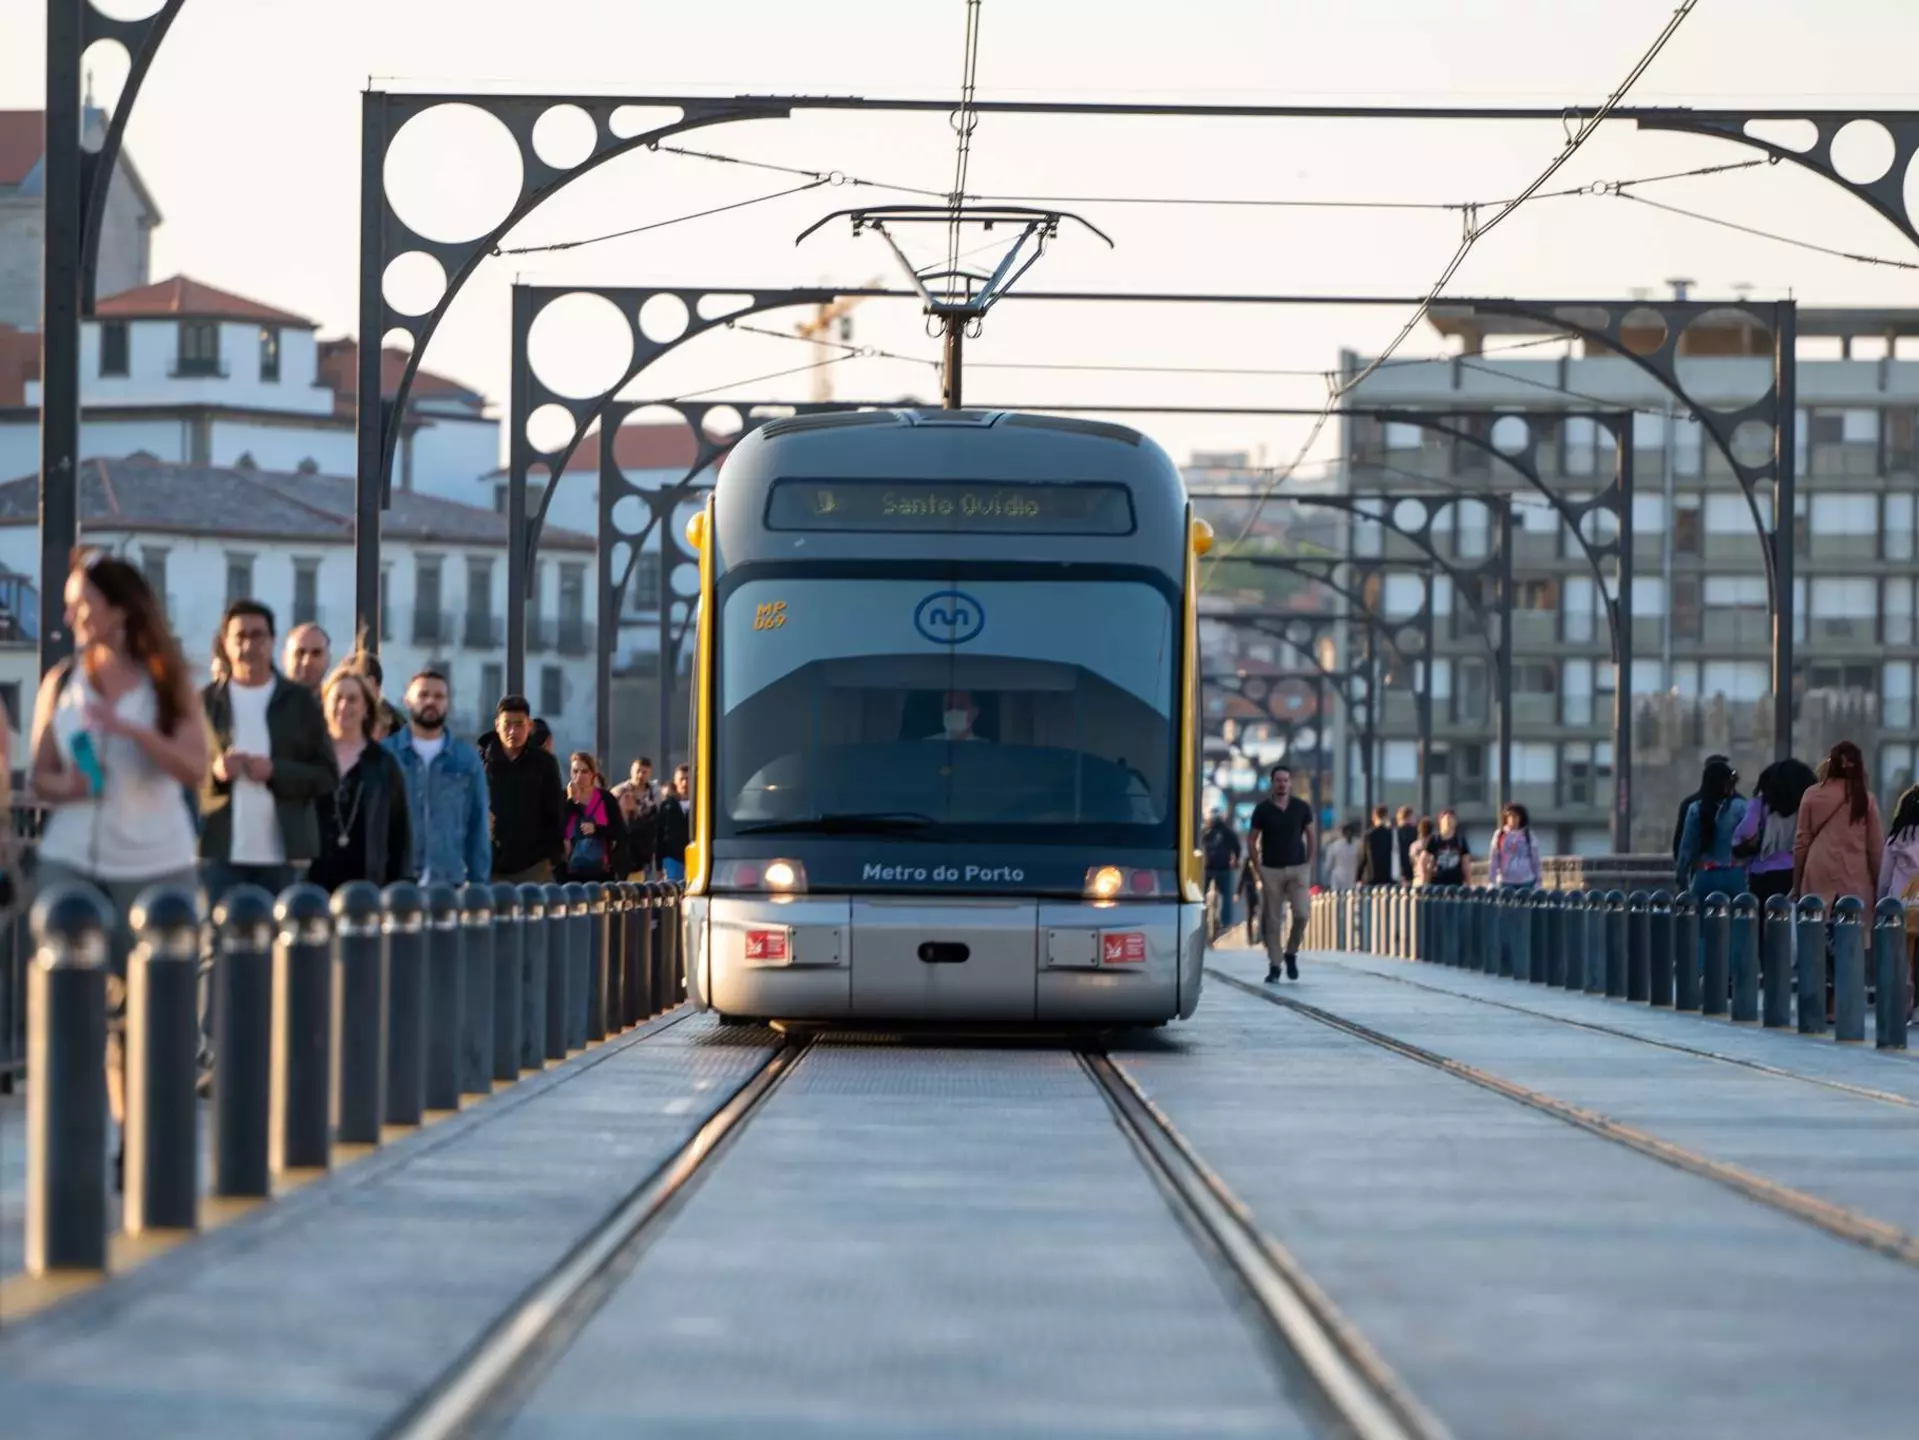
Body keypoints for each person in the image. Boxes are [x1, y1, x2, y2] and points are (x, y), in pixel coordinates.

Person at [30, 550, 206, 1187]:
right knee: (75, 1003)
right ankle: (75, 1138)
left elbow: (194, 766)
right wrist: (67, 786)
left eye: (84, 603)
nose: (73, 613)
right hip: (70, 858)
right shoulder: (62, 678)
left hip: (156, 861)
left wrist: (133, 735)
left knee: (148, 1017)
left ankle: (138, 1140)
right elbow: (40, 774)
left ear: (121, 610)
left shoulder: (167, 681)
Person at [199, 600, 336, 907]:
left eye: (258, 635)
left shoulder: (299, 702)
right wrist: (216, 772)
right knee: (220, 945)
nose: (249, 644)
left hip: (284, 856)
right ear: (226, 643)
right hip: (219, 854)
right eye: (240, 636)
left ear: (273, 641)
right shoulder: (206, 703)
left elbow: (327, 776)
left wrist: (276, 771)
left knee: (281, 949)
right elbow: (185, 774)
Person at [308, 666, 413, 892]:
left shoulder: (385, 764)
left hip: (368, 891)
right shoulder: (309, 759)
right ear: (325, 704)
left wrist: (397, 889)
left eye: (353, 699)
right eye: (337, 698)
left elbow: (399, 835)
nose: (344, 706)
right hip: (311, 887)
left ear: (366, 708)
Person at [386, 670, 491, 886]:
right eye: (423, 695)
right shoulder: (386, 755)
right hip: (394, 884)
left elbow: (478, 825)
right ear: (407, 700)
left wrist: (479, 886)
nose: (431, 701)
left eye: (439, 696)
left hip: (449, 884)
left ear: (447, 703)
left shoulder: (466, 759)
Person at [480, 695, 565, 883]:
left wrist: (553, 854)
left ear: (529, 726)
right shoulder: (480, 763)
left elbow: (554, 810)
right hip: (489, 863)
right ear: (497, 725)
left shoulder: (544, 763)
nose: (513, 731)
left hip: (534, 864)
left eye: (519, 724)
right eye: (507, 724)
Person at [1792, 740, 1882, 907]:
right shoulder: (1866, 799)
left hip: (1818, 872)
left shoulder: (1811, 794)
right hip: (1856, 874)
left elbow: (1801, 844)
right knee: (1853, 927)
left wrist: (1796, 885)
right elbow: (1875, 848)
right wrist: (1879, 886)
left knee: (1816, 927)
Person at [1249, 763, 1314, 982]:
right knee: (1272, 920)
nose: (1282, 784)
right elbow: (1252, 839)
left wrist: (1309, 862)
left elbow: (1311, 835)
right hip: (1271, 870)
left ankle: (1291, 952)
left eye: (1286, 780)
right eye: (1278, 780)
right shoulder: (1263, 810)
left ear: (1290, 783)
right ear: (1272, 782)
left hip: (1298, 869)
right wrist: (1258, 868)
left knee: (1302, 914)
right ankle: (1275, 965)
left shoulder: (1301, 808)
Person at [1730, 758, 1816, 905]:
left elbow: (1743, 835)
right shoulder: (1806, 805)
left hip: (1762, 875)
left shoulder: (1759, 805)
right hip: (1796, 872)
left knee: (1763, 922)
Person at [1676, 756, 1748, 900]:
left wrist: (1681, 878)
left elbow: (1686, 848)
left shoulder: (1695, 808)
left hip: (1704, 873)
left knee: (1701, 920)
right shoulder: (1741, 807)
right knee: (1740, 917)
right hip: (1734, 873)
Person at [1876, 785, 1919, 1022]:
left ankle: (1905, 1005)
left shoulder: (1896, 839)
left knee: (1904, 959)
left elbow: (1884, 876)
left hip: (1901, 907)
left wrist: (1881, 900)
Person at [561, 752, 630, 883]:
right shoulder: (563, 798)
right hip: (569, 873)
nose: (579, 776)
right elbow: (557, 828)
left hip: (601, 872)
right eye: (575, 771)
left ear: (593, 774)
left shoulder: (606, 799)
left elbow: (620, 832)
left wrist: (597, 829)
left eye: (584, 772)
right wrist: (571, 801)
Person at [1673, 753, 1734, 858]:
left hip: (1700, 868)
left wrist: (1682, 869)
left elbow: (1681, 844)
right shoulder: (1739, 805)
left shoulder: (1690, 804)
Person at [1201, 808, 1242, 937]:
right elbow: (1237, 848)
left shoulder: (1204, 832)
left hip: (1207, 869)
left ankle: (1200, 920)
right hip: (1224, 868)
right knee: (1227, 897)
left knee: (1200, 896)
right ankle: (1226, 923)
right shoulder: (1229, 832)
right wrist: (1236, 861)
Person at [1488, 803, 1542, 889]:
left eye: (1515, 816)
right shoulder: (1500, 835)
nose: (1512, 819)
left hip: (1526, 880)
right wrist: (1492, 881)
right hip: (1505, 881)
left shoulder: (1528, 835)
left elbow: (1535, 859)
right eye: (1510, 816)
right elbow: (1494, 858)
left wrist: (1538, 881)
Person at [656, 763, 693, 882]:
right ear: (675, 782)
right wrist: (658, 865)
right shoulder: (667, 806)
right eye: (681, 779)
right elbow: (659, 835)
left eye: (688, 779)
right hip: (672, 858)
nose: (685, 783)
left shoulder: (702, 805)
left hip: (696, 856)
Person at [1357, 805, 1404, 886]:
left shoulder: (1369, 835)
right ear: (1386, 816)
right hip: (1388, 877)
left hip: (1372, 877)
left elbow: (1363, 858)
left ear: (1374, 817)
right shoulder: (1391, 834)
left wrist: (1358, 877)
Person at [282, 623, 330, 695]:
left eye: (316, 653)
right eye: (300, 653)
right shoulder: (266, 702)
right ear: (285, 658)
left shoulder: (336, 705)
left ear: (328, 659)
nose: (307, 662)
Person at [1428, 810, 1470, 887]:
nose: (1449, 823)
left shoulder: (1460, 840)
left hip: (1456, 883)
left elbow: (1466, 864)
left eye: (1451, 820)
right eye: (1446, 820)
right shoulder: (1434, 840)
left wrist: (1468, 883)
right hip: (1437, 883)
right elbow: (1425, 861)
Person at [1322, 820, 1363, 890]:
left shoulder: (1335, 846)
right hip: (1347, 879)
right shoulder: (1358, 844)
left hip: (1345, 879)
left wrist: (1324, 881)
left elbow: (1328, 865)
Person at [1408, 817, 1437, 885]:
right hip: (1431, 878)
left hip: (1417, 876)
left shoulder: (1413, 845)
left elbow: (1411, 861)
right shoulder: (1434, 844)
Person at [1393, 805, 1418, 881]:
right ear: (1409, 817)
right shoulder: (1415, 832)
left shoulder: (1395, 833)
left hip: (1398, 871)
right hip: (1413, 871)